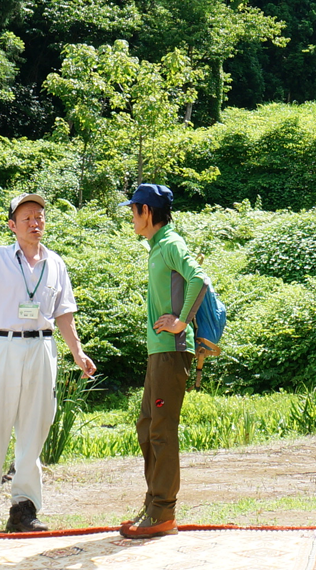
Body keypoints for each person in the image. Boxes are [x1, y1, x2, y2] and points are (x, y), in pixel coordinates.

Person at [0, 192, 96, 534]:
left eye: (40, 216)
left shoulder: (55, 263)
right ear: (12, 225)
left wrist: (77, 352)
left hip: (42, 349)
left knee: (34, 430)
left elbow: (64, 314)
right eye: (27, 217)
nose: (35, 222)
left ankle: (23, 510)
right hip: (2, 346)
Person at [118, 183, 207, 539]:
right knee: (146, 425)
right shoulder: (155, 247)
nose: (131, 216)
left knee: (161, 430)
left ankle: (162, 512)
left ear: (147, 212)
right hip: (158, 352)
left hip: (172, 352)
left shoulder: (170, 244)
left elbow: (198, 279)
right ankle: (153, 504)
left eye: (133, 209)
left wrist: (181, 321)